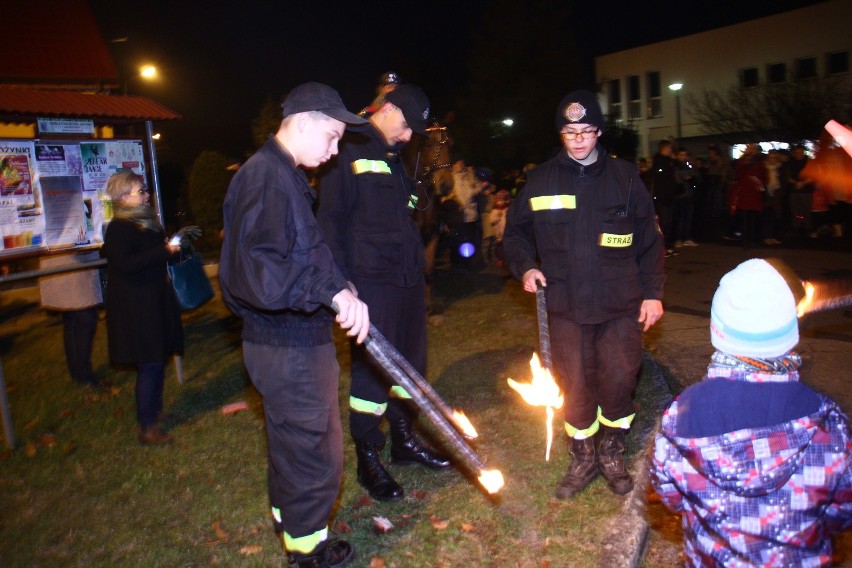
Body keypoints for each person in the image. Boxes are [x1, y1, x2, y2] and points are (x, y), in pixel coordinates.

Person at [218, 82, 370, 568]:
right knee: (314, 451)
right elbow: (257, 272)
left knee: (292, 443)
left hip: (285, 341)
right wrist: (325, 292)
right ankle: (308, 551)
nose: (333, 150)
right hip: (288, 346)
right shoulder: (265, 178)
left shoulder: (283, 176)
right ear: (302, 121)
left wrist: (341, 286)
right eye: (330, 136)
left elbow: (307, 252)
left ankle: (292, 524)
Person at [503, 90, 665, 500]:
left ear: (598, 133)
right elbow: (516, 234)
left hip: (620, 305)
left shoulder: (625, 177)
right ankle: (583, 456)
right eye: (569, 132)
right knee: (574, 384)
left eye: (586, 131)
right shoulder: (539, 180)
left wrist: (653, 294)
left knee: (620, 378)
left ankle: (612, 450)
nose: (578, 139)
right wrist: (527, 266)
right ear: (561, 134)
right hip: (566, 307)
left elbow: (649, 240)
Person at [650, 258, 852, 567]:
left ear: (718, 331)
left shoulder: (681, 418)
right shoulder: (828, 424)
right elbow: (840, 512)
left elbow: (671, 496)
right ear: (789, 333)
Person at [317, 83, 452, 504]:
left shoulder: (394, 157)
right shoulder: (346, 149)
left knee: (411, 368)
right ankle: (368, 456)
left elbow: (399, 216)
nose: (410, 136)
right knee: (372, 376)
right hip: (371, 284)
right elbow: (330, 223)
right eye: (408, 126)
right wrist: (342, 283)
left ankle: (403, 439)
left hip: (407, 280)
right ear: (388, 109)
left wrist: (417, 199)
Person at [101, 171, 185, 445]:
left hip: (154, 298)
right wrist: (163, 252)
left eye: (145, 190)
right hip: (136, 306)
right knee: (149, 362)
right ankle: (147, 426)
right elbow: (126, 264)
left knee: (157, 359)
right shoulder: (118, 228)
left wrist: (172, 249)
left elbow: (153, 254)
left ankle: (154, 414)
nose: (147, 195)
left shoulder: (145, 222)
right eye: (141, 191)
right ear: (124, 198)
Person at [38, 250, 103, 388]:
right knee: (84, 319)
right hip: (69, 266)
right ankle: (83, 375)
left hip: (72, 267)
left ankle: (79, 374)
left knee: (73, 321)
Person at [651, 140, 680, 257]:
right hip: (662, 197)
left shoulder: (669, 162)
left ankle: (668, 246)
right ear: (664, 148)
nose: (671, 151)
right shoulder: (659, 162)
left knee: (669, 222)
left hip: (668, 196)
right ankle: (662, 248)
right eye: (669, 148)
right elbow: (661, 179)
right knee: (663, 223)